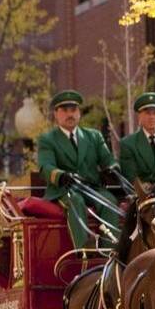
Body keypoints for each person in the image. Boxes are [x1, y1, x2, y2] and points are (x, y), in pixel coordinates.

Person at [37, 90, 120, 249]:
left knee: (109, 200)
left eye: (73, 110)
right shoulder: (48, 139)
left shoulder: (94, 136)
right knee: (76, 200)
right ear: (56, 114)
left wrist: (112, 169)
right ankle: (84, 249)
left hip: (91, 187)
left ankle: (110, 248)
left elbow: (108, 159)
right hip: (63, 189)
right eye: (65, 110)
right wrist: (60, 176)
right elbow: (45, 166)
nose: (70, 114)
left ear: (79, 113)